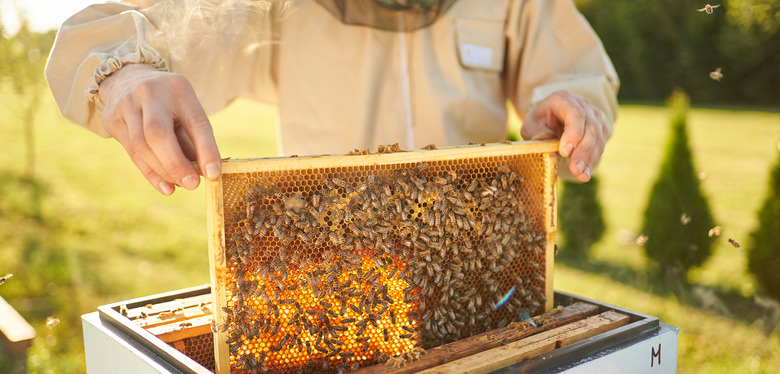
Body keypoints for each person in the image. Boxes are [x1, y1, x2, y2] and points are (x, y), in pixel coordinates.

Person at [45, 0, 619, 196]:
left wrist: (568, 107)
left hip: (479, 284)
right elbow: (113, 27)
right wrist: (122, 74)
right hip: (329, 276)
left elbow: (577, 74)